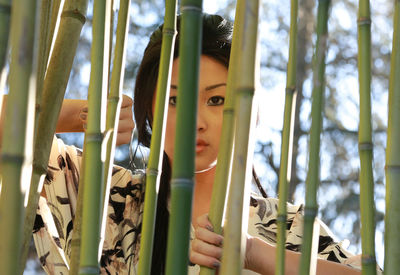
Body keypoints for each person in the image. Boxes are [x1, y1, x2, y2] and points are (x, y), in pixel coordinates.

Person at [30, 14, 367, 275]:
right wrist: (80, 114)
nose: (197, 121)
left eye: (217, 99)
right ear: (150, 109)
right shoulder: (106, 198)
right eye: (175, 101)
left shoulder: (285, 226)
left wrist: (256, 255)